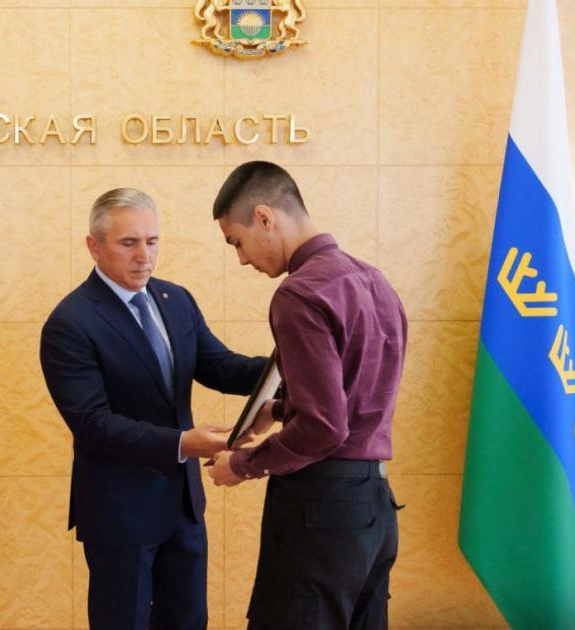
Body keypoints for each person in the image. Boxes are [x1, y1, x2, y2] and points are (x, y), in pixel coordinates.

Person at [40, 188, 267, 630]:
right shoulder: (71, 322)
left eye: (152, 241)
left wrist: (287, 365)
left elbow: (220, 367)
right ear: (94, 246)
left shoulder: (175, 299)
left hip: (182, 507)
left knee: (189, 621)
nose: (144, 256)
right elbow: (93, 424)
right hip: (119, 512)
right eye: (129, 243)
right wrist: (183, 443)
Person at [207, 161, 407, 630]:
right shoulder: (375, 281)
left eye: (236, 242)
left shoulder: (299, 293)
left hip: (321, 508)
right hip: (374, 506)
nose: (242, 260)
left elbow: (325, 428)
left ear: (264, 217)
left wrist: (243, 465)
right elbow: (356, 395)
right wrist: (278, 409)